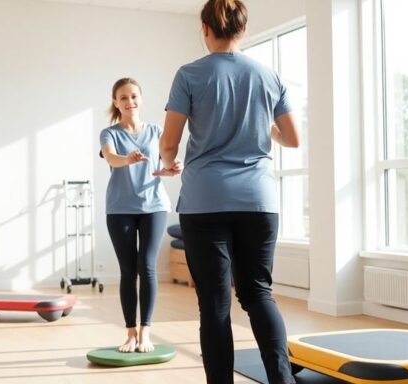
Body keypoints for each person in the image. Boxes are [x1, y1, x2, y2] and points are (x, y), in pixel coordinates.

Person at [158, 0, 301, 382]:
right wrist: (261, 128)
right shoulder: (269, 75)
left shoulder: (190, 74)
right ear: (243, 28)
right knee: (258, 294)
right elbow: (292, 138)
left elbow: (170, 142)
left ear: (205, 28)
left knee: (215, 305)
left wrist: (168, 160)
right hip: (258, 200)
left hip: (206, 200)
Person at [100, 77, 182, 353]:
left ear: (141, 99)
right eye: (123, 97)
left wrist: (171, 169)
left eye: (133, 96)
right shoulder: (109, 134)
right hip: (120, 209)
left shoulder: (156, 131)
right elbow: (111, 158)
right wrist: (127, 160)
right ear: (116, 102)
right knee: (128, 271)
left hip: (154, 206)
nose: (129, 101)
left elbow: (163, 164)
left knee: (147, 267)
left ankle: (146, 332)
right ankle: (130, 334)